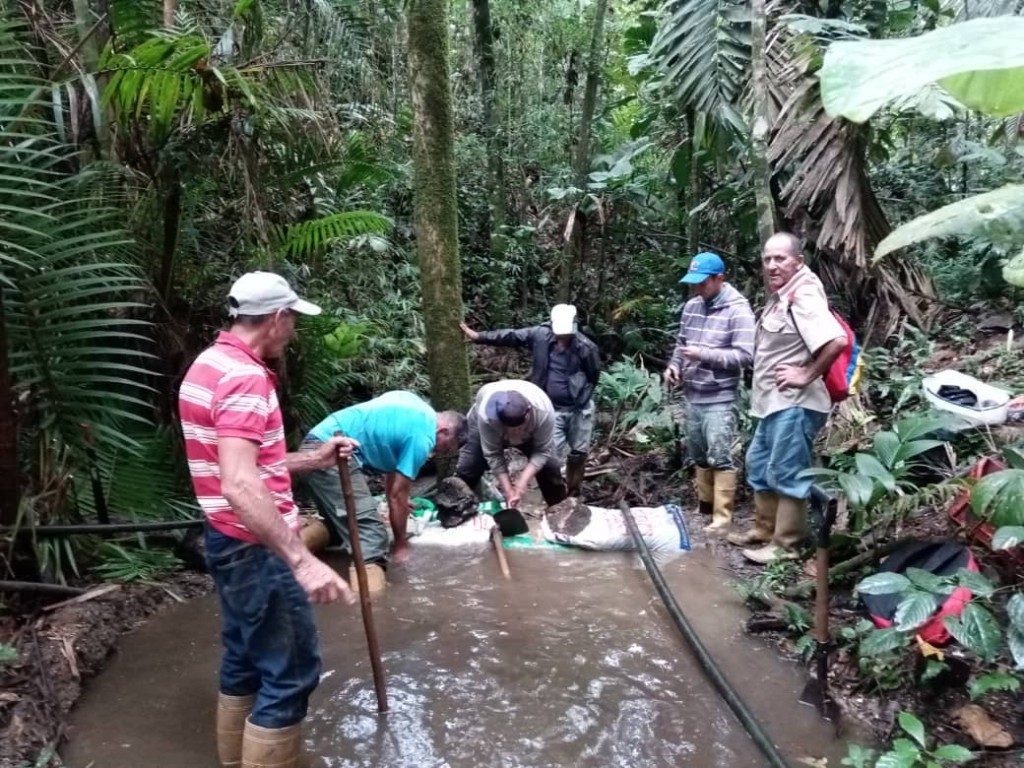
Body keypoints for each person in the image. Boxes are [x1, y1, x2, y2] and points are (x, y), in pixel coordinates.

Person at [179, 271, 359, 768]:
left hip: (223, 539)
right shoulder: (246, 378)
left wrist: (315, 460)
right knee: (293, 672)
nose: (295, 332)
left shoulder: (208, 365)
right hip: (257, 548)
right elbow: (240, 484)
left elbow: (238, 466)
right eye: (294, 321)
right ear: (277, 319)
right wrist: (301, 560)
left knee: (244, 658)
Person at [727, 233, 847, 564]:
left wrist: (807, 374)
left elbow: (835, 341)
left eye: (780, 258)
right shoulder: (784, 295)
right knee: (760, 463)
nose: (772, 265)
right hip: (772, 403)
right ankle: (765, 531)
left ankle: (787, 545)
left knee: (787, 471)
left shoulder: (804, 294)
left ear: (798, 261)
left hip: (794, 404)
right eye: (767, 259)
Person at [302, 391, 466, 593]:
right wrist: (400, 544)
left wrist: (398, 501)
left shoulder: (417, 408)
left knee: (341, 528)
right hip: (332, 452)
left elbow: (394, 477)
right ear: (444, 432)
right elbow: (397, 496)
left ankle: (278, 554)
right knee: (371, 535)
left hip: (312, 445)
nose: (439, 452)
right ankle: (378, 608)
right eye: (445, 447)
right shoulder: (423, 437)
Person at [459, 304, 601, 496]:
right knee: (553, 457)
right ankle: (554, 495)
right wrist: (479, 336)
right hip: (551, 407)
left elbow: (593, 375)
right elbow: (511, 336)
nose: (562, 336)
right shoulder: (540, 335)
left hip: (579, 408)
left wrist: (581, 396)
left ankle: (574, 493)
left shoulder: (586, 347)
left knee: (579, 452)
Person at [664, 252, 755, 536]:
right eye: (695, 284)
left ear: (719, 279)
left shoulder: (738, 310)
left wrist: (703, 355)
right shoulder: (692, 306)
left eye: (703, 283)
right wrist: (673, 367)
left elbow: (744, 355)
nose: (698, 289)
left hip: (720, 396)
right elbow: (681, 344)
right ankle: (704, 507)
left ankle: (723, 516)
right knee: (698, 453)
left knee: (720, 455)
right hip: (692, 393)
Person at [456, 379, 567, 510]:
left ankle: (560, 512)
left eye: (519, 427)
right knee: (468, 466)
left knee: (551, 468)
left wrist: (522, 483)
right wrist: (508, 489)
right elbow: (493, 454)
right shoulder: (487, 416)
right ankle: (457, 511)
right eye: (509, 428)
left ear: (529, 412)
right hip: (485, 425)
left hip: (532, 432)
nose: (515, 433)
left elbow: (542, 450)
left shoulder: (543, 411)